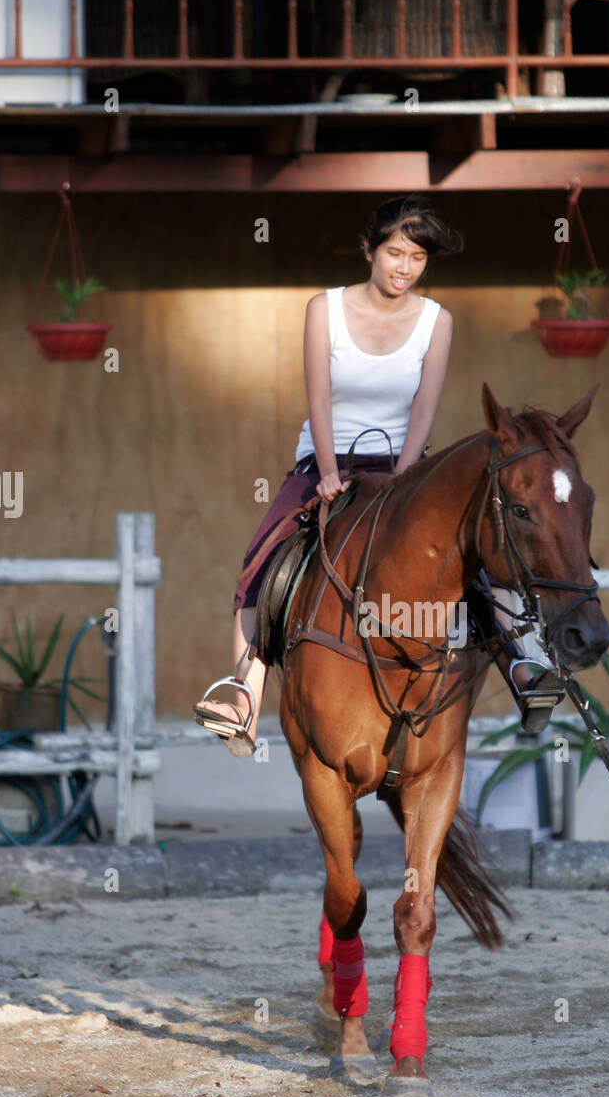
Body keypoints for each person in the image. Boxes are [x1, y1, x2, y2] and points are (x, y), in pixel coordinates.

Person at [193, 195, 564, 755]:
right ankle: (242, 693)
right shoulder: (326, 308)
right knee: (262, 559)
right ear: (369, 249)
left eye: (417, 258)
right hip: (326, 463)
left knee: (480, 555)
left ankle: (524, 666)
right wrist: (323, 472)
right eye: (395, 252)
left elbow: (424, 406)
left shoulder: (438, 322)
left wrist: (407, 477)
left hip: (406, 467)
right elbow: (318, 396)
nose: (404, 267)